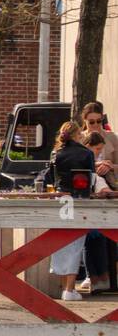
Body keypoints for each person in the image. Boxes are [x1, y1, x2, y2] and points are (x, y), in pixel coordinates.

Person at [49, 121, 94, 301]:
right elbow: (91, 178)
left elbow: (52, 178)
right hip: (80, 200)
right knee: (76, 243)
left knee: (60, 243)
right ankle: (69, 288)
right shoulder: (86, 153)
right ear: (78, 135)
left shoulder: (56, 154)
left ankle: (64, 288)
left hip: (61, 200)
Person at [78, 130, 116, 294]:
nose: (99, 152)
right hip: (87, 207)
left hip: (97, 206)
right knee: (93, 240)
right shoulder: (84, 159)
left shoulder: (95, 160)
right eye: (97, 149)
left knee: (99, 239)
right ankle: (94, 278)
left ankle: (101, 279)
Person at [79, 102, 118, 192]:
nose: (96, 124)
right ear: (85, 120)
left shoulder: (112, 137)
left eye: (99, 121)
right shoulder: (80, 139)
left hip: (111, 182)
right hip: (86, 183)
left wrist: (110, 166)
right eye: (91, 122)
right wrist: (96, 166)